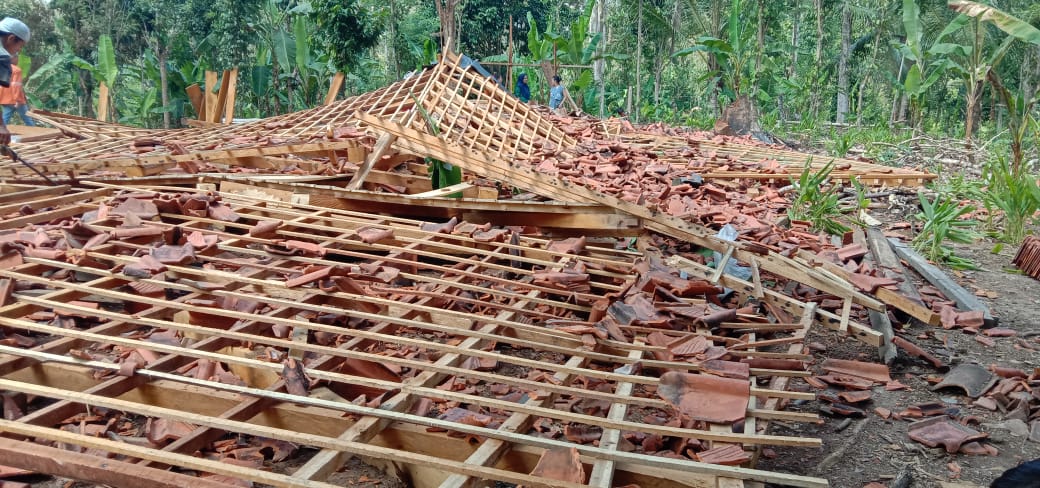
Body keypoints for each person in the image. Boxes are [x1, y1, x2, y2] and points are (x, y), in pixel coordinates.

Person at [0, 17, 30, 145]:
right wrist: (1, 126)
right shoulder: (2, 56)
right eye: (20, 45)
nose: (19, 50)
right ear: (11, 38)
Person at [1, 59, 35, 127]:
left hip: (5, 99)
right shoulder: (16, 70)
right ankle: (37, 135)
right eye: (17, 58)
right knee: (27, 119)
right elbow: (15, 86)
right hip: (16, 100)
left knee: (5, 118)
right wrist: (16, 100)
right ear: (13, 59)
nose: (18, 60)